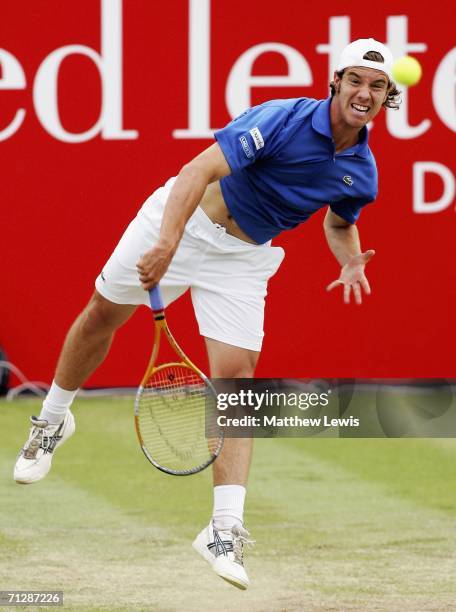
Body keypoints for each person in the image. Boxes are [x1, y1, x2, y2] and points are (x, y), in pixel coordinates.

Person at [14, 38, 401, 590]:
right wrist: (169, 243)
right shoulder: (283, 119)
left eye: (377, 86)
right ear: (336, 81)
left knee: (236, 384)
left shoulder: (361, 172)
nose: (364, 93)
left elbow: (339, 223)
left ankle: (224, 529)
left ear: (388, 96)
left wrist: (349, 261)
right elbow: (197, 170)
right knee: (102, 314)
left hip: (243, 261)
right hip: (182, 220)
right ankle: (52, 420)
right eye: (356, 80)